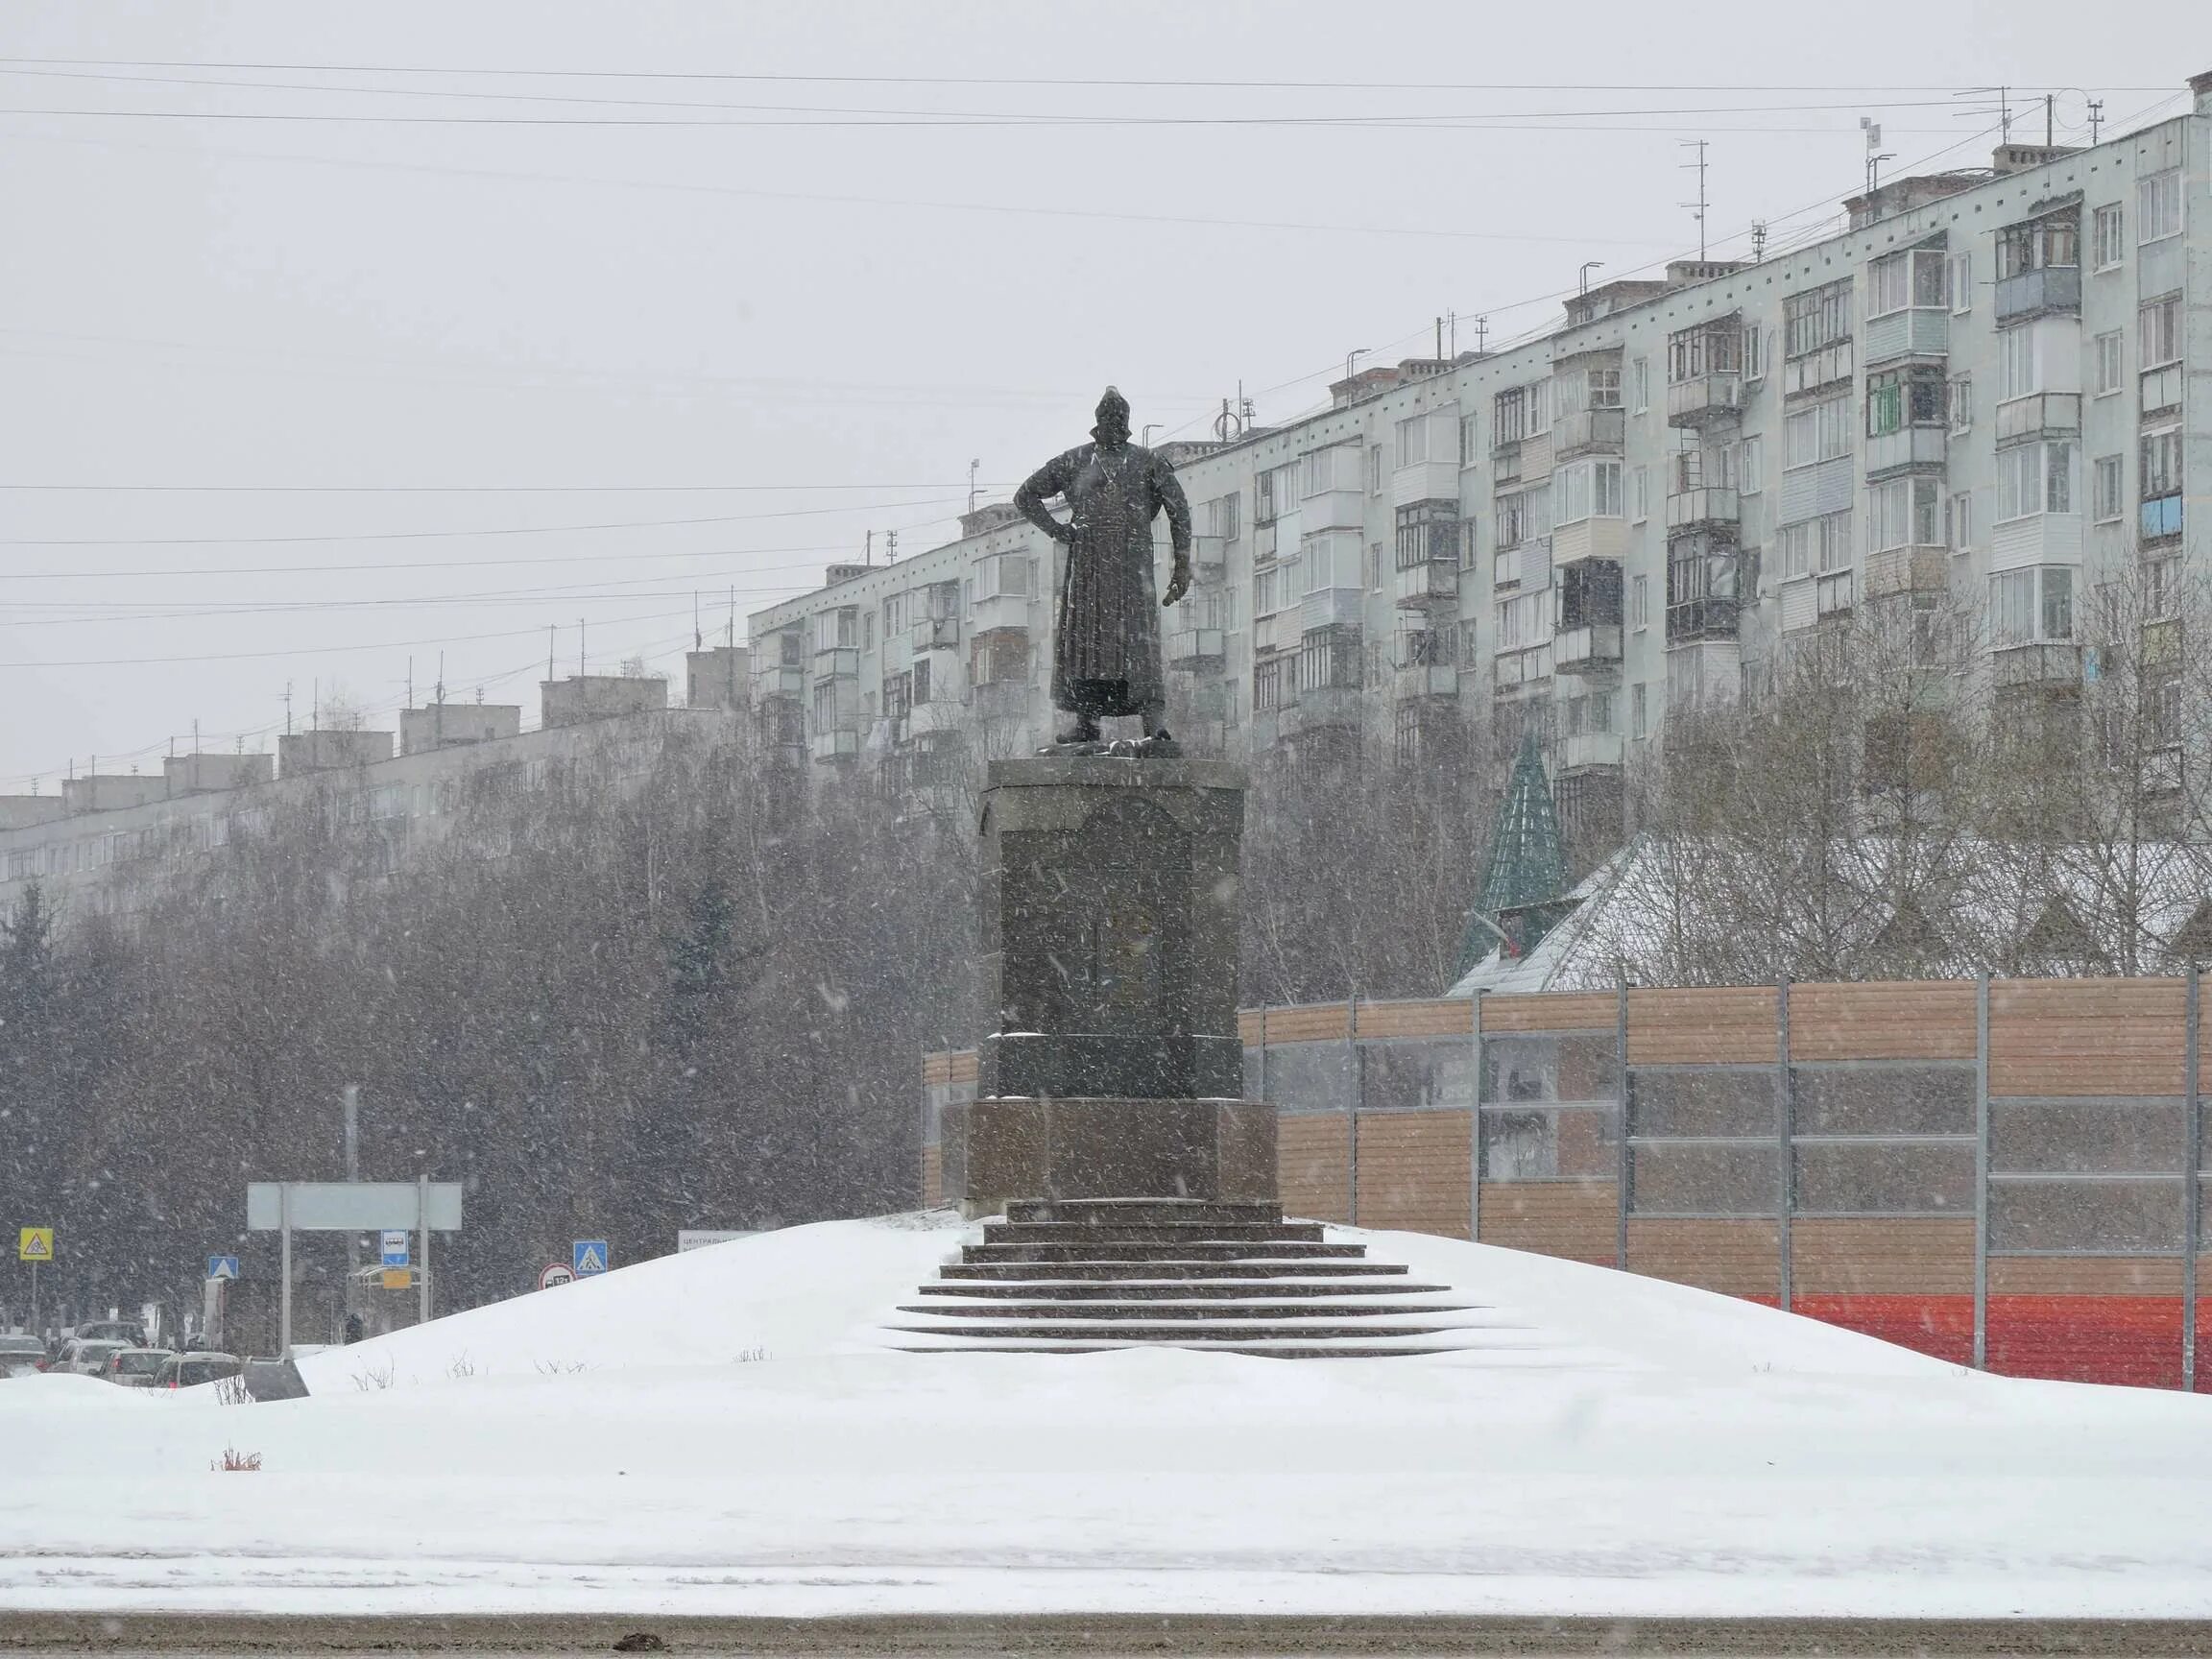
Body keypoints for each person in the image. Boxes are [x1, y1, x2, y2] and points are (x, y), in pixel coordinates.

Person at [1014, 387, 1194, 746]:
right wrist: (1059, 530)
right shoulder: (1075, 461)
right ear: (1097, 423)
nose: (1113, 424)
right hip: (1090, 567)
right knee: (1087, 642)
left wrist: (1182, 566)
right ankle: (1087, 720)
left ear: (1126, 423)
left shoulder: (1148, 462)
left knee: (1138, 643)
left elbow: (1179, 510)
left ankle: (1152, 722)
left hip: (1131, 566)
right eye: (1107, 418)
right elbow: (1025, 495)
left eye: (1118, 419)